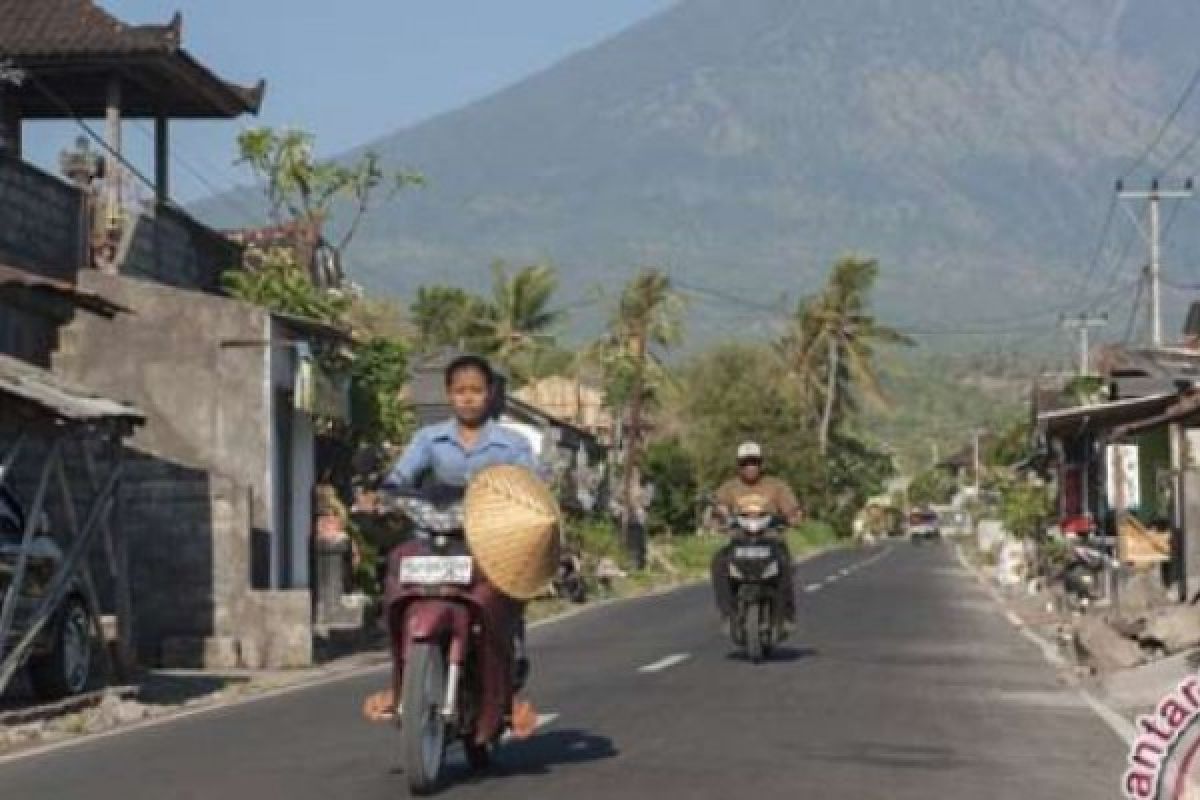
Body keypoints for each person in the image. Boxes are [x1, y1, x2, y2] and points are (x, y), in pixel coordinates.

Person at [361, 354, 538, 720]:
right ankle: (399, 675)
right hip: (431, 536)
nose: (468, 398)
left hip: (488, 541)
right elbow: (401, 476)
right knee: (397, 565)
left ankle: (508, 664)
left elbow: (531, 485)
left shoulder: (512, 444)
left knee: (504, 594)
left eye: (476, 390)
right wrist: (383, 495)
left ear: (490, 394)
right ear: (449, 395)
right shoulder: (428, 439)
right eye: (460, 391)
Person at [710, 441, 802, 632]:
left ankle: (786, 614)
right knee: (719, 563)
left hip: (770, 539)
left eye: (754, 462)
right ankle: (728, 614)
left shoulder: (776, 486)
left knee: (785, 564)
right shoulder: (730, 488)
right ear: (739, 465)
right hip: (740, 540)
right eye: (745, 463)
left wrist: (792, 517)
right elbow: (717, 509)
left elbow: (792, 509)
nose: (750, 467)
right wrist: (718, 519)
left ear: (761, 464)